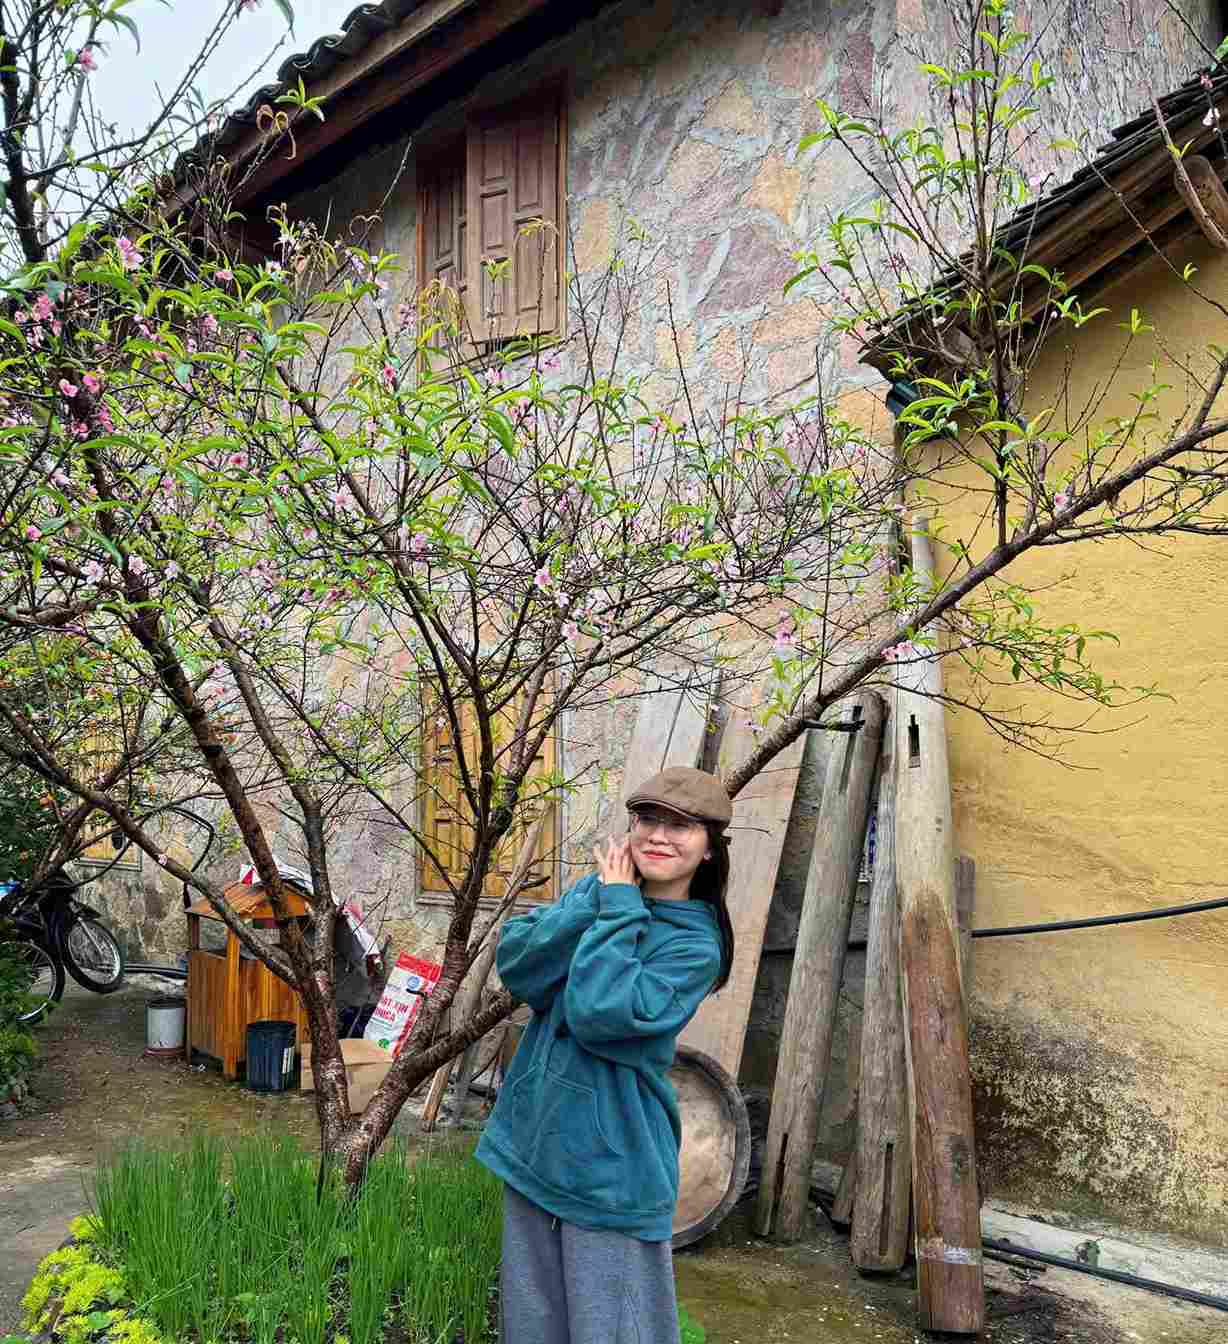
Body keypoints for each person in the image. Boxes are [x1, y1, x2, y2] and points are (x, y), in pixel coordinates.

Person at [474, 766, 736, 1344]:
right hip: (538, 1140)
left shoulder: (694, 946)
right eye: (648, 820)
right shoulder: (599, 891)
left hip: (612, 1161)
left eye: (680, 826)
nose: (658, 836)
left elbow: (600, 1014)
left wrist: (617, 907)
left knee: (611, 1328)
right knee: (534, 1324)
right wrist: (601, 898)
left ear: (710, 849)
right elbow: (519, 965)